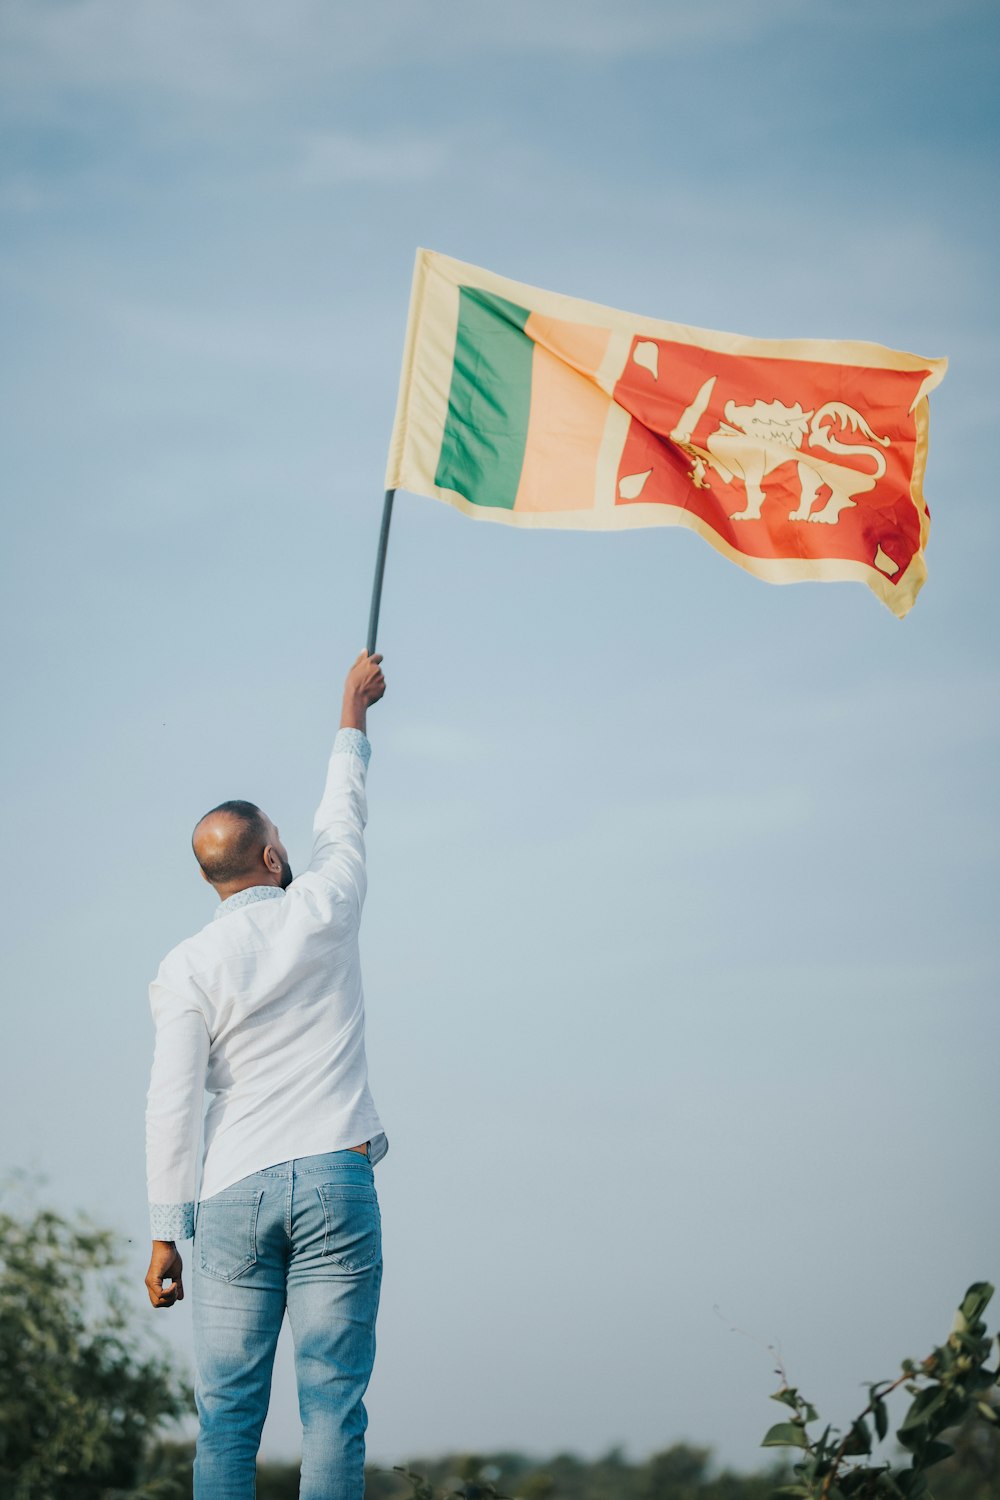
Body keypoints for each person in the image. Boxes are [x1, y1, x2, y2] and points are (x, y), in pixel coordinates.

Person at [144, 649, 388, 1500]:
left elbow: (171, 1104)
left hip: (230, 1190)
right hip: (333, 1176)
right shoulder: (324, 908)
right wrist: (350, 716)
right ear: (275, 857)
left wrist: (166, 1231)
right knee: (332, 1408)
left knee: (228, 1418)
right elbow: (343, 823)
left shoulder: (184, 966)